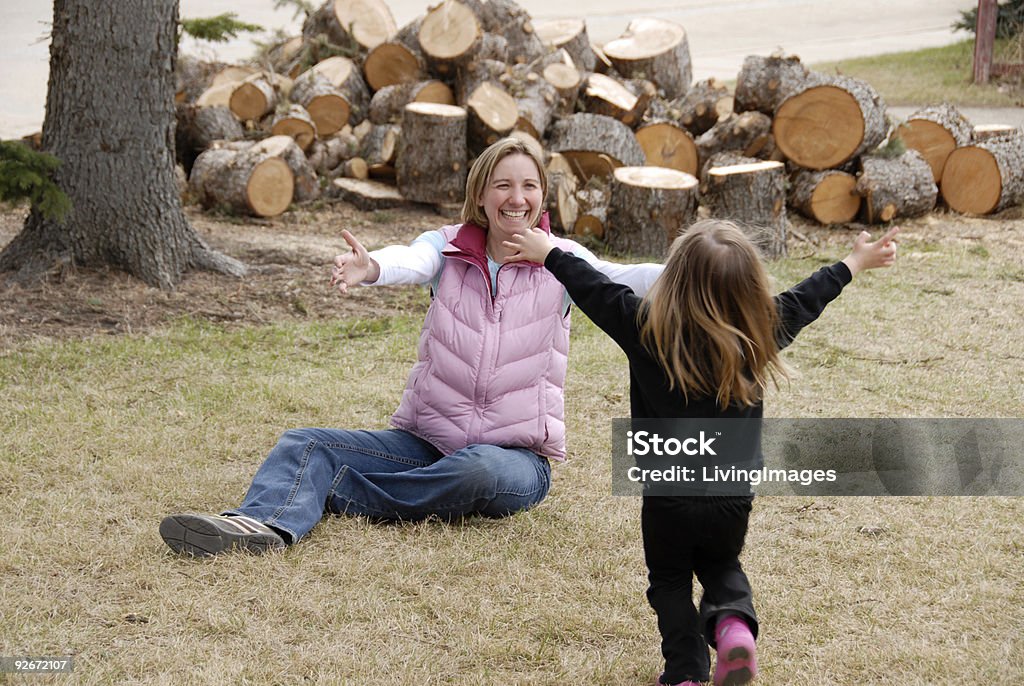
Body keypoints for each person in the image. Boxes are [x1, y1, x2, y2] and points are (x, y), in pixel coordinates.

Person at [159, 137, 662, 557]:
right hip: (426, 445)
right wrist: (372, 267)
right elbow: (412, 259)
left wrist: (702, 274)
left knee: (477, 469)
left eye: (529, 185)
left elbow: (627, 278)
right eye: (503, 184)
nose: (517, 196)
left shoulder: (564, 260)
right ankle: (259, 526)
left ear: (542, 197)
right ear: (481, 195)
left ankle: (336, 491)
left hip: (514, 461)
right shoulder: (449, 248)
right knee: (306, 443)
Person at [502, 219, 899, 686]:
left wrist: (547, 252)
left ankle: (686, 671)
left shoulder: (644, 325)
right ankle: (732, 627)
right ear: (751, 284)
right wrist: (856, 260)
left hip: (667, 494)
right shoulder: (762, 327)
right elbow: (810, 296)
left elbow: (593, 289)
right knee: (721, 565)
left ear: (674, 279)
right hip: (732, 495)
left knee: (669, 581)